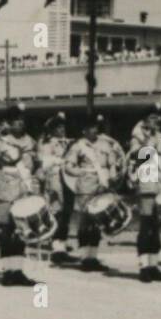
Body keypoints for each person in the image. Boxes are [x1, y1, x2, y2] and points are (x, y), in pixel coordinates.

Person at [0, 103, 37, 286]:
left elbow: (33, 164)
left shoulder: (31, 141)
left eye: (22, 121)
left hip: (23, 188)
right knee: (7, 231)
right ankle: (7, 271)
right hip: (7, 188)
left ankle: (18, 270)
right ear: (9, 123)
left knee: (21, 231)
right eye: (16, 121)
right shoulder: (0, 141)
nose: (20, 124)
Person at [63, 114, 113, 271]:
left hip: (102, 186)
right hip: (85, 188)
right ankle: (85, 258)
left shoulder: (106, 144)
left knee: (97, 223)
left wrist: (111, 177)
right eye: (90, 127)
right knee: (85, 223)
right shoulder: (78, 146)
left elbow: (112, 163)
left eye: (95, 127)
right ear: (84, 130)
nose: (94, 130)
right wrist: (82, 173)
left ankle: (94, 257)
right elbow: (68, 166)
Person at [129, 105, 161, 282]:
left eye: (158, 118)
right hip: (147, 183)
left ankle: (153, 265)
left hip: (160, 183)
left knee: (156, 227)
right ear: (146, 119)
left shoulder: (160, 135)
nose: (157, 121)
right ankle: (144, 266)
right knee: (146, 226)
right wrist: (148, 144)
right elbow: (135, 156)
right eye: (153, 118)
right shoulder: (138, 136)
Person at [37, 113, 76, 266]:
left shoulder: (65, 142)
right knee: (57, 212)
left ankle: (62, 246)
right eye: (58, 127)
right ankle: (55, 248)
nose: (62, 130)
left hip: (68, 180)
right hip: (55, 180)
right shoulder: (47, 142)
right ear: (52, 130)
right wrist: (61, 160)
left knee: (67, 212)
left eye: (62, 127)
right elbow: (45, 162)